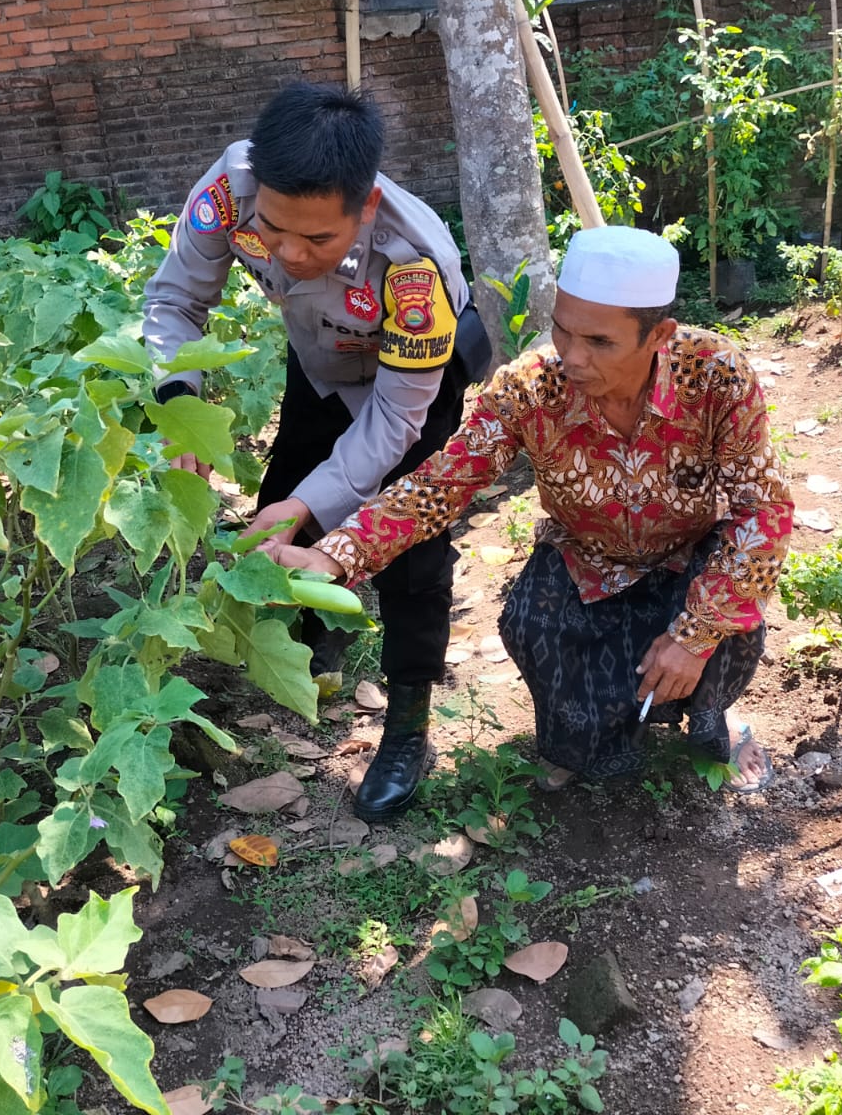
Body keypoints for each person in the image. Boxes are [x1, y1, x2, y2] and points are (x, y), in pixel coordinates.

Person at [266, 225, 792, 793]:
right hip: (589, 561)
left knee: (729, 624)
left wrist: (693, 635)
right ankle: (604, 731)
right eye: (562, 330)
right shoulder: (532, 387)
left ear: (658, 335)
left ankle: (716, 711)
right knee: (533, 628)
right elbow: (443, 482)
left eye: (600, 342)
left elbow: (762, 509)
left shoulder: (715, 374)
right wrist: (338, 553)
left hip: (691, 555)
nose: (573, 358)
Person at [142, 81, 490, 822]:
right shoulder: (231, 189)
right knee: (282, 499)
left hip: (411, 385)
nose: (292, 254)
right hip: (321, 360)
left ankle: (408, 724)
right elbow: (175, 300)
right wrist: (179, 405)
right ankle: (315, 640)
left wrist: (314, 503)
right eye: (274, 231)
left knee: (412, 550)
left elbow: (393, 419)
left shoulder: (414, 266)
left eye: (318, 241)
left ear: (366, 208)